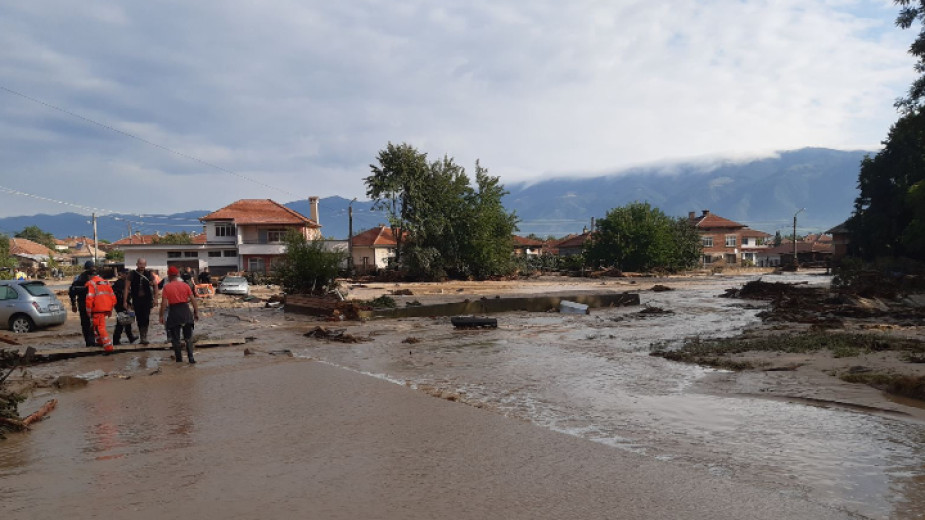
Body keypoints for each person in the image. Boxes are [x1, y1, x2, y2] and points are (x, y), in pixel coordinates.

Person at [159, 265, 200, 364]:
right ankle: (191, 358)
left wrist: (161, 316)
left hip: (174, 312)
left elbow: (164, 303)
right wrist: (196, 312)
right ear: (177, 275)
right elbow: (193, 300)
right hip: (185, 311)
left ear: (168, 276)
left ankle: (179, 360)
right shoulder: (185, 285)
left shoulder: (167, 287)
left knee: (175, 338)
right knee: (188, 337)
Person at [125, 258, 158, 345]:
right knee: (139, 318)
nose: (142, 266)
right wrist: (125, 301)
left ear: (145, 265)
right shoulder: (132, 274)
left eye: (143, 264)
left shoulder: (149, 274)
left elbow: (155, 285)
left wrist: (155, 298)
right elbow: (127, 288)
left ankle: (144, 336)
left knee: (146, 317)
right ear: (137, 264)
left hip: (147, 299)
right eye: (140, 264)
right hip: (136, 299)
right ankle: (141, 336)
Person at [85, 268, 117, 351]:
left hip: (97, 309)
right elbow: (113, 297)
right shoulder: (106, 282)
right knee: (96, 327)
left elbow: (89, 299)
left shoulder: (91, 283)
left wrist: (88, 312)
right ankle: (100, 343)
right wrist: (110, 309)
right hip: (105, 308)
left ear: (89, 276)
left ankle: (108, 347)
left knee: (99, 328)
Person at [69, 261, 97, 347]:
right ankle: (91, 342)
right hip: (91, 304)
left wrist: (73, 304)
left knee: (87, 323)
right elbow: (72, 291)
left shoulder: (79, 278)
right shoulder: (95, 278)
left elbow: (72, 292)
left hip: (85, 304)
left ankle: (89, 342)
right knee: (92, 323)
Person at [111, 268, 137, 345]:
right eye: (125, 274)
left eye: (128, 274)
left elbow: (131, 294)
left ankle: (130, 337)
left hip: (127, 304)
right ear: (121, 274)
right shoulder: (118, 283)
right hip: (120, 305)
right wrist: (124, 303)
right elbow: (117, 295)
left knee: (128, 321)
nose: (127, 275)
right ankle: (116, 340)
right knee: (120, 322)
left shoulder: (128, 282)